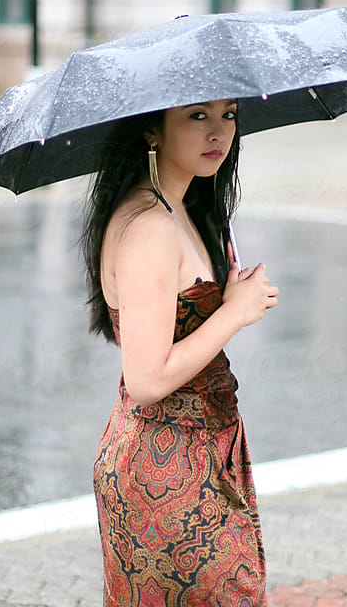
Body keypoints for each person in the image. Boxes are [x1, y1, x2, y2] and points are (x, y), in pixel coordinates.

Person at [81, 98, 279, 605]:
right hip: (162, 470)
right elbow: (147, 380)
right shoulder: (149, 226)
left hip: (202, 452)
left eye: (229, 114)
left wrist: (232, 300)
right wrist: (233, 312)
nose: (219, 131)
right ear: (152, 130)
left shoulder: (184, 209)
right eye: (197, 116)